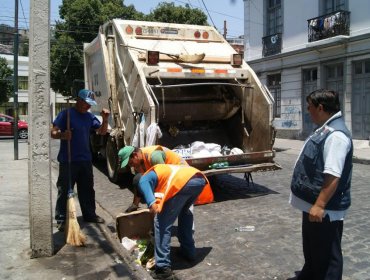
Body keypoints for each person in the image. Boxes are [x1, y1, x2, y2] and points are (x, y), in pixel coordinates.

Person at [290, 89, 353, 280]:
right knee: (313, 252)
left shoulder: (336, 136)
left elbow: (333, 175)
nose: (307, 111)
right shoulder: (325, 127)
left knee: (327, 258)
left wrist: (319, 205)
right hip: (313, 206)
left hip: (323, 210)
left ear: (320, 107)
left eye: (309, 107)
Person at [136, 164, 209, 279]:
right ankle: (188, 252)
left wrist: (154, 230)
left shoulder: (143, 180)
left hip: (183, 183)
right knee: (185, 214)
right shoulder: (157, 174)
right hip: (199, 179)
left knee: (161, 223)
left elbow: (154, 207)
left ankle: (163, 268)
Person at [51, 89, 110, 231]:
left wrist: (105, 119)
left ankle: (89, 214)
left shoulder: (89, 117)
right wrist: (63, 135)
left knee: (87, 189)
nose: (88, 107)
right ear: (79, 100)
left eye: (90, 105)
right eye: (86, 103)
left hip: (85, 159)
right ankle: (61, 219)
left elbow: (101, 132)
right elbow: (53, 132)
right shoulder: (66, 114)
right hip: (68, 160)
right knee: (64, 190)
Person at [118, 145, 213, 212]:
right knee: (138, 179)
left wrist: (155, 205)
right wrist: (135, 205)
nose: (132, 166)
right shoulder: (140, 158)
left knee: (178, 211)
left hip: (185, 177)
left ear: (135, 155)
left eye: (131, 163)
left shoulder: (154, 156)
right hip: (174, 176)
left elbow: (163, 182)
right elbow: (142, 182)